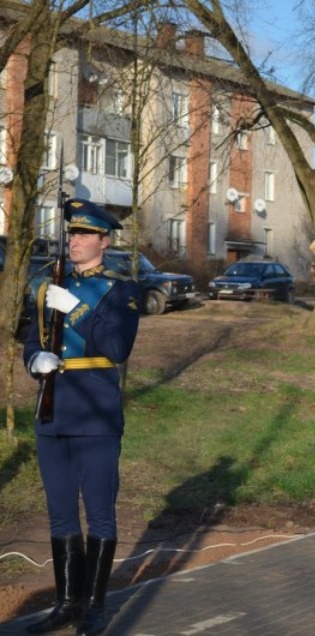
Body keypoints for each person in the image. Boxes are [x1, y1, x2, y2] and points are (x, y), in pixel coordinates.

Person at [23, 199, 141, 635]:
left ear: (104, 241)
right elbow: (32, 341)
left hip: (95, 414)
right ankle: (66, 601)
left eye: (83, 234)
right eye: (71, 234)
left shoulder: (120, 290)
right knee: (59, 514)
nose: (73, 240)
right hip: (52, 412)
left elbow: (116, 348)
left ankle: (93, 606)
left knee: (100, 514)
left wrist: (73, 308)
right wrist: (35, 359)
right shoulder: (46, 285)